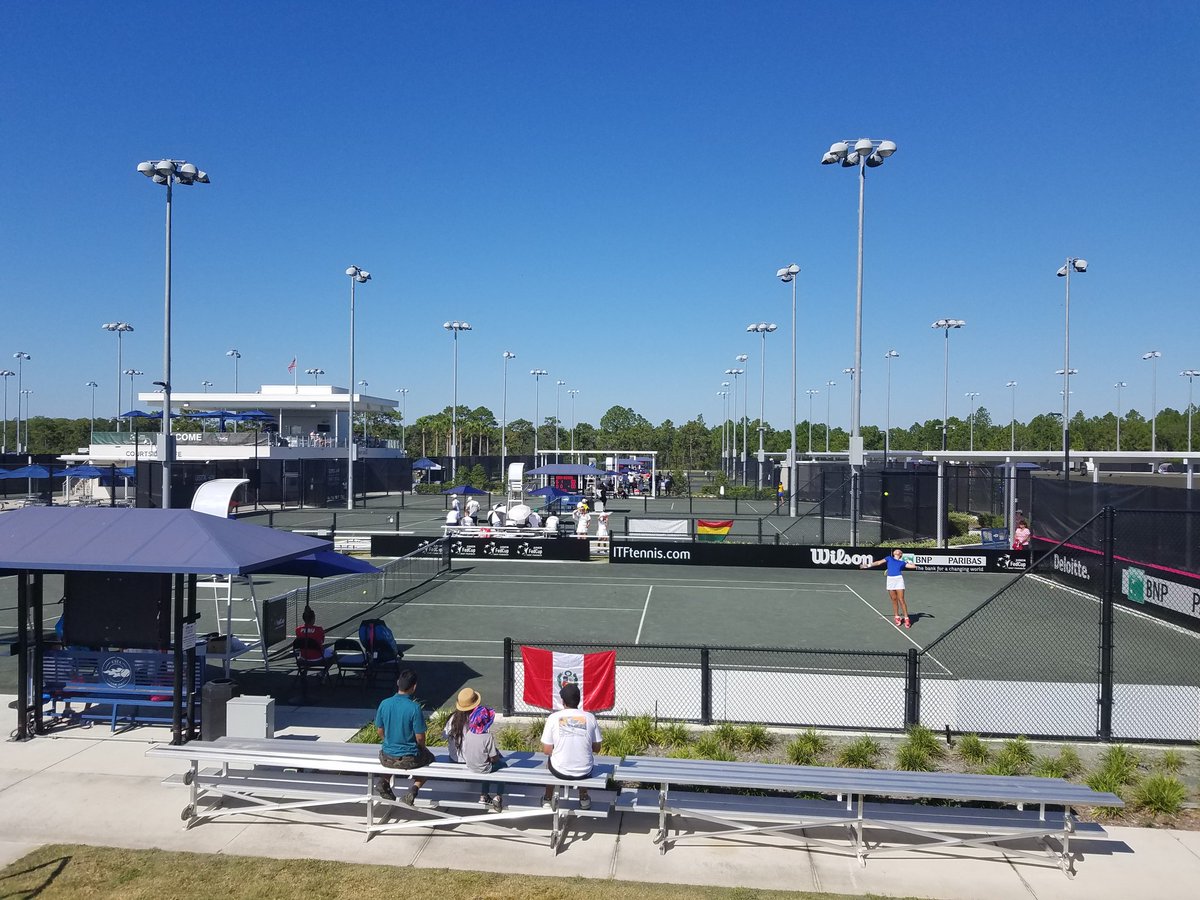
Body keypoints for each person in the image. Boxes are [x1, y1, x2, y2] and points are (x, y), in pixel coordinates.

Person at [374, 668, 436, 805]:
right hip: (409, 757)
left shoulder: (384, 703)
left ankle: (383, 781)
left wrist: (387, 741)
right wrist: (423, 748)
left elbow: (379, 730)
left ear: (398, 683)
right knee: (431, 760)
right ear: (414, 687)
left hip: (387, 757)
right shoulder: (414, 708)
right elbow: (420, 737)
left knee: (391, 758)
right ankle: (413, 789)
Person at [540, 682, 603, 810]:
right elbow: (597, 748)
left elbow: (547, 750)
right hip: (584, 772)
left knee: (550, 760)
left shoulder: (553, 718)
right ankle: (584, 797)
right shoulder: (590, 717)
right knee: (584, 757)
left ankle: (547, 798)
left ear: (563, 701)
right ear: (578, 701)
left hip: (559, 771)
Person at [444, 687, 505, 812]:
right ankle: (493, 795)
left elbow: (444, 735)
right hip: (472, 762)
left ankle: (485, 793)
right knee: (496, 759)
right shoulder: (478, 720)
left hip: (454, 759)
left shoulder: (452, 719)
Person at [862, 548, 918, 629]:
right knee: (894, 599)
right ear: (894, 553)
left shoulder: (902, 562)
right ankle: (897, 617)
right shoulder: (889, 558)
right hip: (890, 580)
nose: (896, 550)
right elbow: (878, 562)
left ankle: (906, 618)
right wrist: (867, 565)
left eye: (899, 550)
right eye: (896, 550)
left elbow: (913, 567)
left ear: (900, 554)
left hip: (898, 580)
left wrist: (910, 562)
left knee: (901, 599)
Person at [294, 605, 333, 669]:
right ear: (313, 619)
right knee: (332, 653)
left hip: (304, 658)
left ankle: (303, 672)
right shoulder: (319, 629)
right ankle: (323, 674)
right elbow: (322, 642)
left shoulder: (298, 630)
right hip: (317, 658)